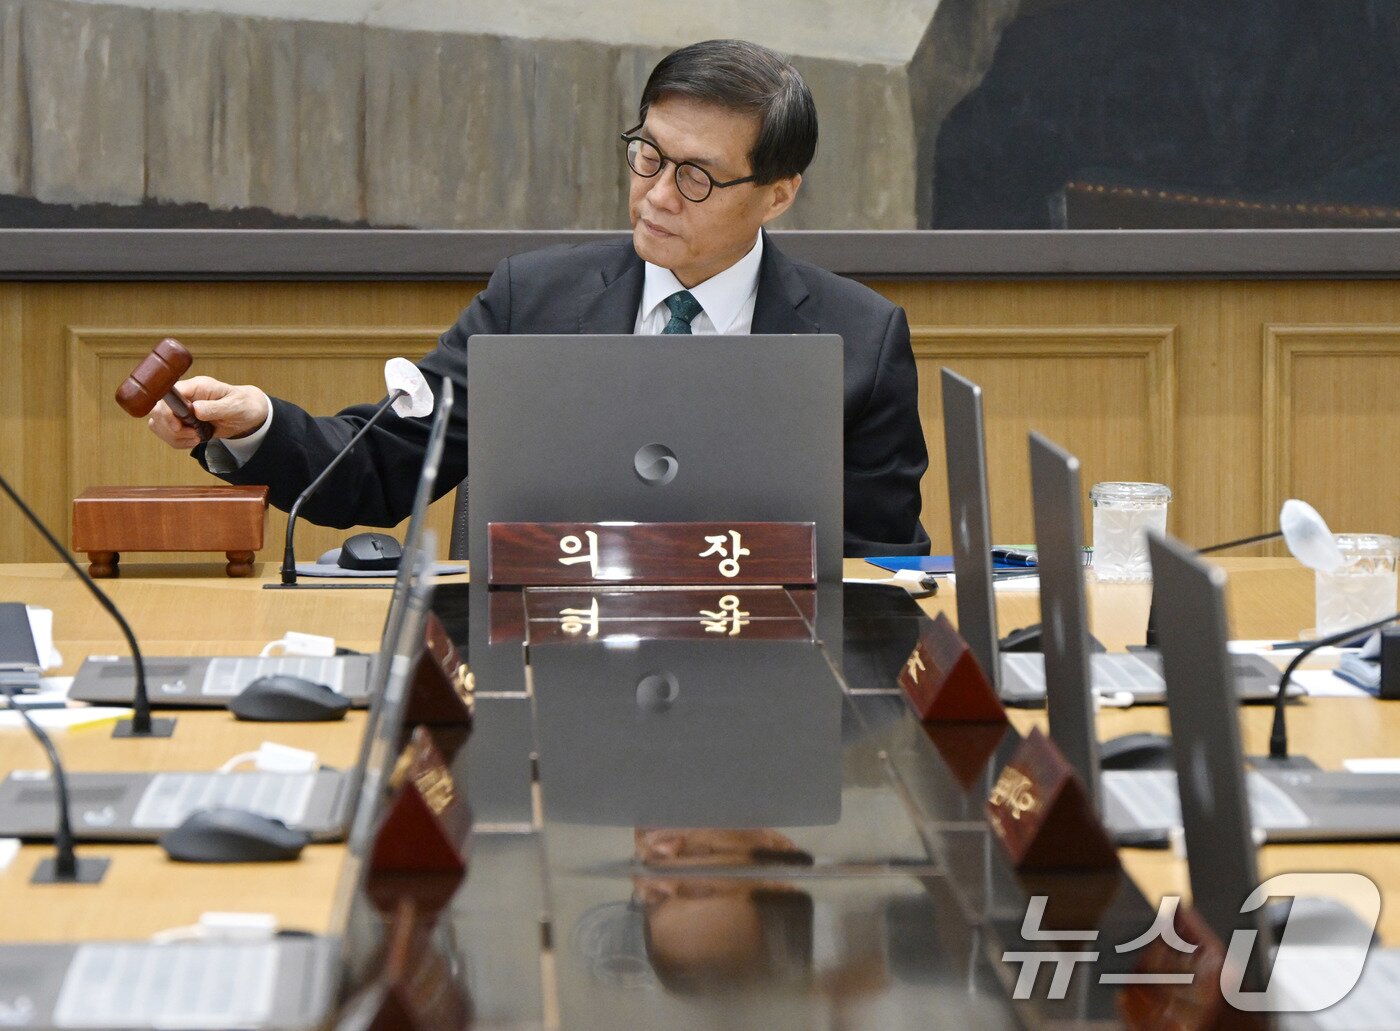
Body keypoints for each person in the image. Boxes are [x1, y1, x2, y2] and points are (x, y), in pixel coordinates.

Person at [148, 39, 930, 556]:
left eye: (696, 176)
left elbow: (880, 569)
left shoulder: (860, 341)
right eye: (647, 155)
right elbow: (386, 464)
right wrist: (258, 424)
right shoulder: (534, 299)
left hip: (758, 686)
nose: (656, 195)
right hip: (538, 683)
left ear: (778, 194)